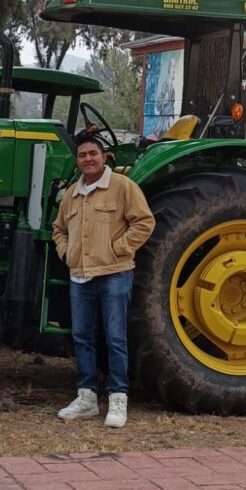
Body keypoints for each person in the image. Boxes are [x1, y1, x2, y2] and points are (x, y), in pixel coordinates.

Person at [52, 131, 155, 428]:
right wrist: (67, 252)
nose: (88, 159)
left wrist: (118, 248)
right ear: (77, 160)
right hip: (80, 277)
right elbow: (59, 229)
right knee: (82, 338)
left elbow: (144, 221)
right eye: (82, 155)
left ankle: (118, 398)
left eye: (93, 154)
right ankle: (86, 398)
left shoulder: (122, 186)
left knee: (115, 338)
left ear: (104, 156)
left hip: (114, 274)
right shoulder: (71, 194)